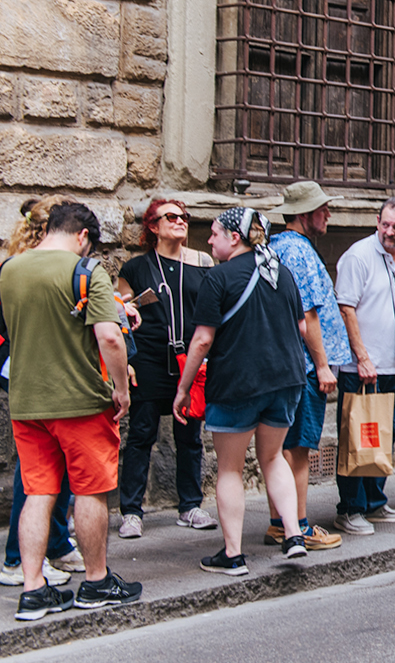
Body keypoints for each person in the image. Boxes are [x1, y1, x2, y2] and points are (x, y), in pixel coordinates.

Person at [1, 202, 142, 619]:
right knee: (90, 491)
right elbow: (110, 339)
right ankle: (96, 582)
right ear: (83, 236)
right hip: (80, 401)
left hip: (27, 403)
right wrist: (121, 390)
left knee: (38, 492)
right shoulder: (85, 272)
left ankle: (32, 590)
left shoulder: (9, 269)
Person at [175, 207, 310, 575]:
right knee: (273, 457)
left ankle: (233, 555)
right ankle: (294, 534)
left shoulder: (218, 278)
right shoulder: (281, 273)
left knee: (230, 469)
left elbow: (202, 340)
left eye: (215, 233)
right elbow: (301, 327)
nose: (209, 239)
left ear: (235, 237)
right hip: (285, 380)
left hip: (236, 383)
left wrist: (184, 389)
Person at [114, 200, 217, 539]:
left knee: (189, 436)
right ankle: (131, 511)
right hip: (149, 358)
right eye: (170, 217)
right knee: (141, 434)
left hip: (190, 360)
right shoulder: (136, 267)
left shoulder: (203, 262)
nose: (180, 222)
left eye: (184, 217)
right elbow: (120, 313)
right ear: (153, 227)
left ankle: (189, 505)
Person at [0, 197, 83, 588]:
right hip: (30, 371)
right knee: (34, 475)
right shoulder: (18, 268)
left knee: (59, 467)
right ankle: (18, 558)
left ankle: (55, 543)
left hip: (52, 372)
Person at [332, 197, 395, 535]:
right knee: (357, 436)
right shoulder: (359, 256)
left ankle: (374, 502)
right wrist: (362, 357)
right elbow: (346, 308)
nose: (389, 231)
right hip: (363, 367)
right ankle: (349, 508)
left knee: (385, 436)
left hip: (393, 363)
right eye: (385, 224)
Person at [265, 182, 343, 551]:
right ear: (302, 213)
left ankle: (280, 522)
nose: (328, 214)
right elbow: (307, 313)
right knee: (298, 449)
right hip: (305, 368)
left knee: (282, 447)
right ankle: (297, 524)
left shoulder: (280, 248)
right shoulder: (297, 252)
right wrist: (323, 365)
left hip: (289, 363)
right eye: (321, 208)